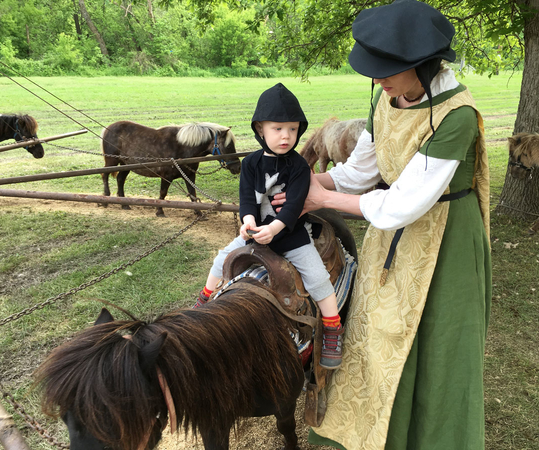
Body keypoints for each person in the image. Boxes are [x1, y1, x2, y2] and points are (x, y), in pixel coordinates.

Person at [273, 1, 492, 449]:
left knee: (435, 343)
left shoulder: (458, 116)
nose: (376, 79)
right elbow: (363, 170)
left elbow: (405, 203)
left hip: (444, 238)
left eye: (387, 69)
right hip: (390, 229)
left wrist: (323, 199)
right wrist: (312, 181)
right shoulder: (386, 97)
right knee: (376, 331)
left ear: (423, 65)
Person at [194, 82, 345, 369]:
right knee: (222, 259)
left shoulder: (300, 167)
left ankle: (333, 328)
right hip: (255, 234)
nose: (286, 136)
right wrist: (248, 221)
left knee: (317, 277)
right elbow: (247, 199)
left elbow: (294, 206)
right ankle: (204, 300)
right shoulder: (251, 163)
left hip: (291, 237)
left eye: (292, 129)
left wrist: (274, 229)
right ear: (260, 129)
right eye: (278, 129)